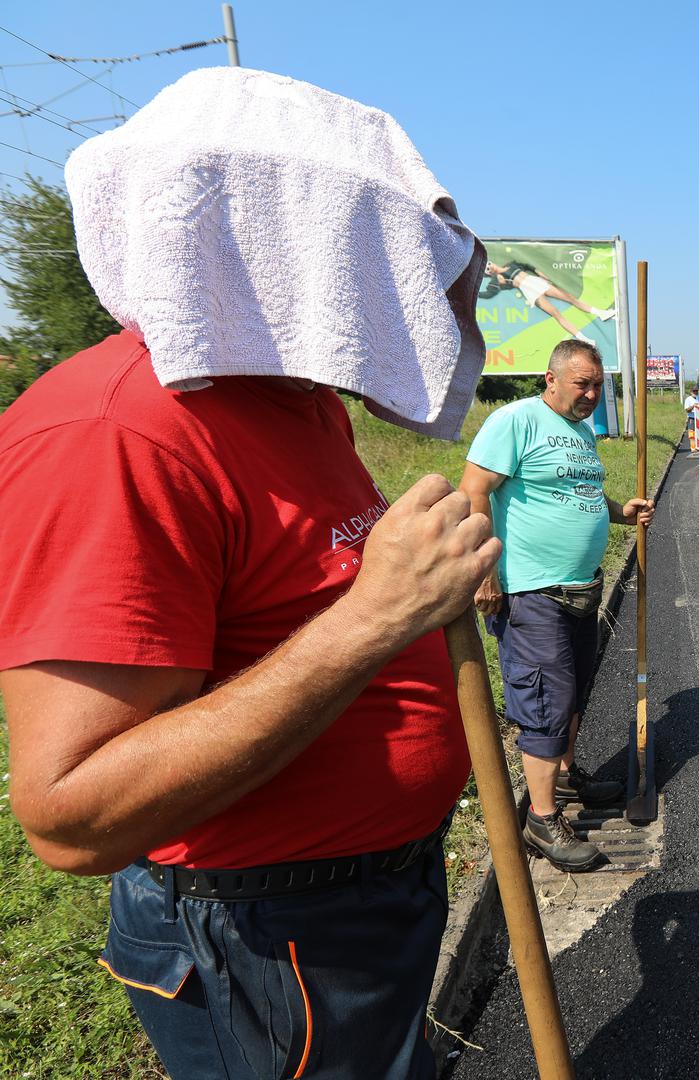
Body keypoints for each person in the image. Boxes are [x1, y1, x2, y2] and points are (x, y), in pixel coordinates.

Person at [0, 68, 496, 1079]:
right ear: (277, 241)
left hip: (365, 902)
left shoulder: (296, 403)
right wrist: (377, 615)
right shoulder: (115, 435)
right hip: (266, 940)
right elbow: (73, 816)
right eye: (371, 250)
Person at [459, 340, 656, 872]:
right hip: (531, 590)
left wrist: (621, 511)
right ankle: (542, 820)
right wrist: (485, 570)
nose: (591, 394)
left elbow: (581, 495)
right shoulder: (516, 421)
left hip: (580, 589)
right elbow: (474, 490)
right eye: (581, 384)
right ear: (550, 379)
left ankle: (565, 778)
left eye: (597, 385)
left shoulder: (581, 432)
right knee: (546, 700)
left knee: (572, 691)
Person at [483, 259, 615, 342]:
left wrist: (543, 276)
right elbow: (489, 293)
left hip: (536, 282)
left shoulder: (511, 264)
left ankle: (601, 313)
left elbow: (529, 266)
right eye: (487, 270)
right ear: (488, 273)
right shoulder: (498, 279)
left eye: (489, 264)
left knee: (571, 298)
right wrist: (498, 285)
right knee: (557, 314)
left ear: (491, 262)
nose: (490, 267)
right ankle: (583, 338)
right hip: (530, 292)